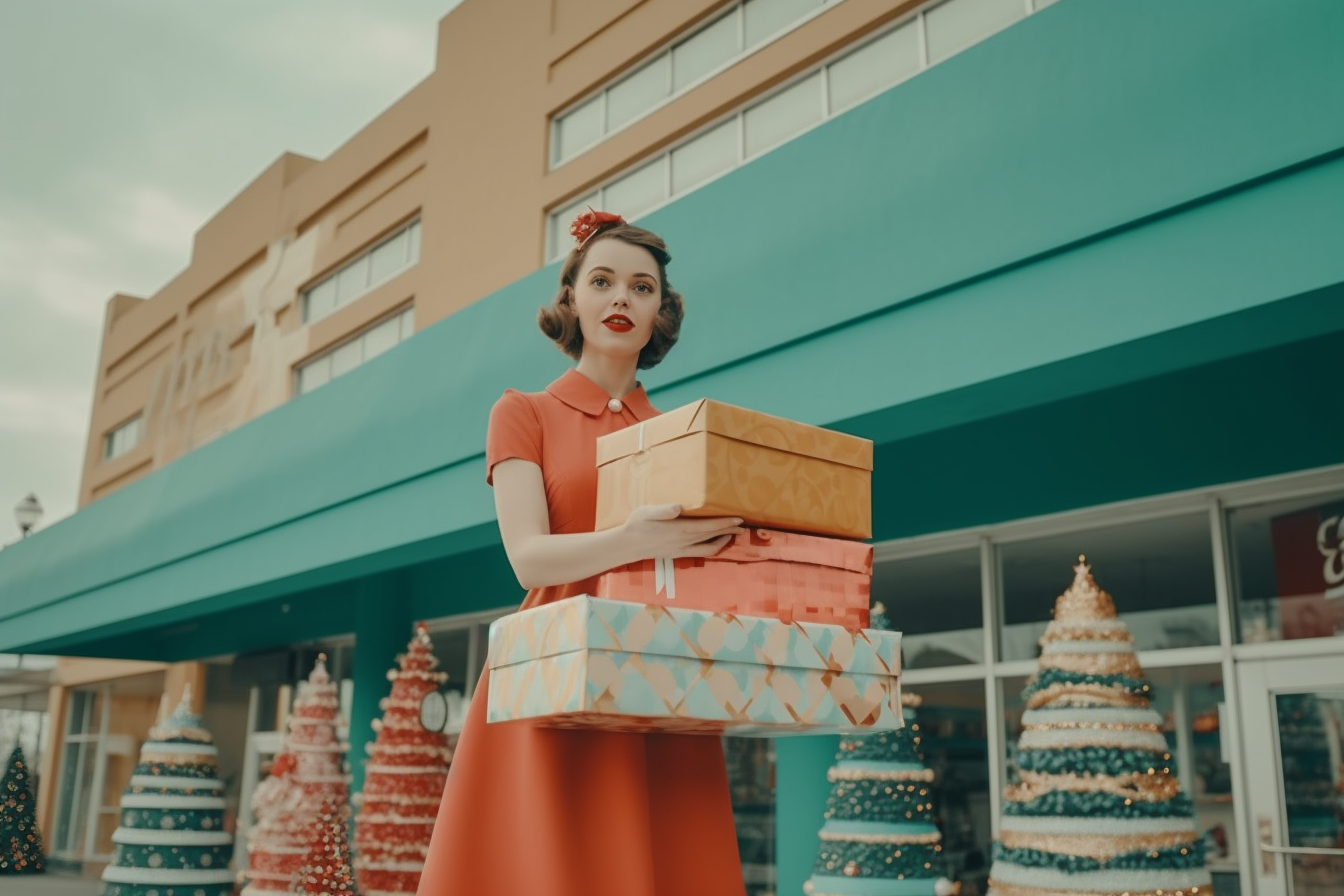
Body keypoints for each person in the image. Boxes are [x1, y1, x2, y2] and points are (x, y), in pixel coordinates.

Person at [415, 210, 749, 896]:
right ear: (571, 299)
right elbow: (528, 558)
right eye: (602, 281)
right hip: (548, 674)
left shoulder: (685, 435)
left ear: (661, 312)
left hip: (661, 680)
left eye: (641, 287)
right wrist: (637, 539)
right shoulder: (522, 412)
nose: (621, 297)